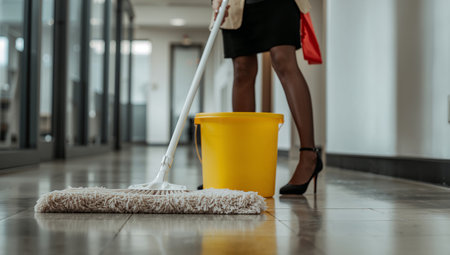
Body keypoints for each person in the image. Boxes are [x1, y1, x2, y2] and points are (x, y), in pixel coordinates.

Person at [211, 0, 323, 195]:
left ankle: (309, 156)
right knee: (241, 68)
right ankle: (242, 167)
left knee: (282, 59)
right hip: (237, 3)